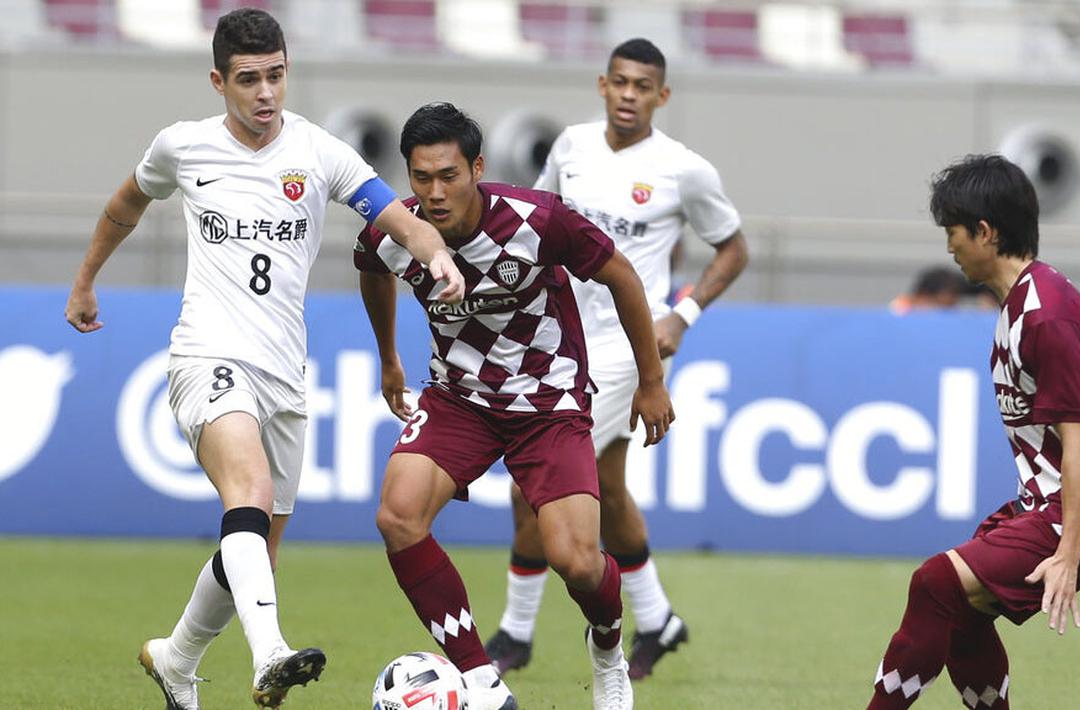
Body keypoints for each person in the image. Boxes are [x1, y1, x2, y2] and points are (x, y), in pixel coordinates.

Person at [63, 9, 463, 709]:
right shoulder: (183, 147)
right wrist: (86, 278)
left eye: (276, 75)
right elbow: (126, 203)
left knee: (254, 551)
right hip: (207, 353)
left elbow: (387, 213)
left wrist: (433, 251)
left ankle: (176, 658)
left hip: (284, 374)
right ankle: (270, 653)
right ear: (218, 81)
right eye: (248, 79)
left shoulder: (318, 152)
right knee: (244, 492)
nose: (266, 93)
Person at [354, 102, 673, 710]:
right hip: (458, 399)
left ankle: (608, 653)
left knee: (577, 562)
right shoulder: (397, 229)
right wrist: (389, 357)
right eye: (422, 178)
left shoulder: (536, 219)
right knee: (398, 516)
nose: (436, 191)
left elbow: (623, 277)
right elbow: (373, 267)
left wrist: (650, 381)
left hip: (548, 401)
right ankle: (480, 678)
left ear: (477, 167)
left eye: (449, 175)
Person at [484, 37, 749, 681]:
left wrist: (679, 316)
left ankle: (515, 634)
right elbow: (538, 222)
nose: (630, 95)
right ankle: (658, 620)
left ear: (662, 96)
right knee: (605, 487)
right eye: (620, 82)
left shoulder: (684, 169)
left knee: (534, 481)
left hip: (626, 346)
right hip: (554, 338)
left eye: (643, 86)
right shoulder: (570, 147)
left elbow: (734, 249)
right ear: (602, 85)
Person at [866, 154, 1080, 709]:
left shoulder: (1046, 316)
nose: (948, 247)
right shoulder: (1022, 303)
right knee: (962, 609)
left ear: (984, 231)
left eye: (952, 232)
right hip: (1055, 499)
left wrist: (1069, 552)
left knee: (935, 584)